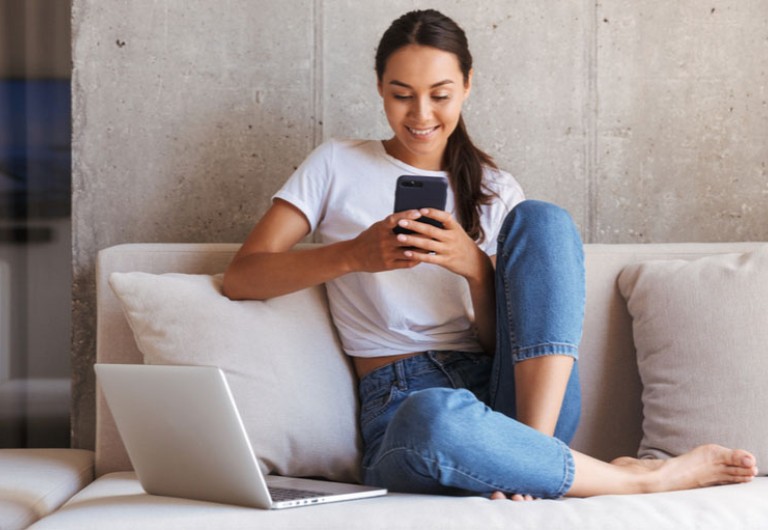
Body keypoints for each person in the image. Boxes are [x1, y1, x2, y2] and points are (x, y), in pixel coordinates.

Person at [223, 9, 758, 500]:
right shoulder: (336, 163)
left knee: (546, 219)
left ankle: (529, 457)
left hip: (520, 403)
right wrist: (355, 254)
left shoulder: (498, 190)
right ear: (380, 89)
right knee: (433, 414)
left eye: (440, 93)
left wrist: (475, 269)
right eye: (401, 94)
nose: (421, 114)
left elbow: (509, 339)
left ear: (468, 86)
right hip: (405, 407)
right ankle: (627, 478)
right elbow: (243, 277)